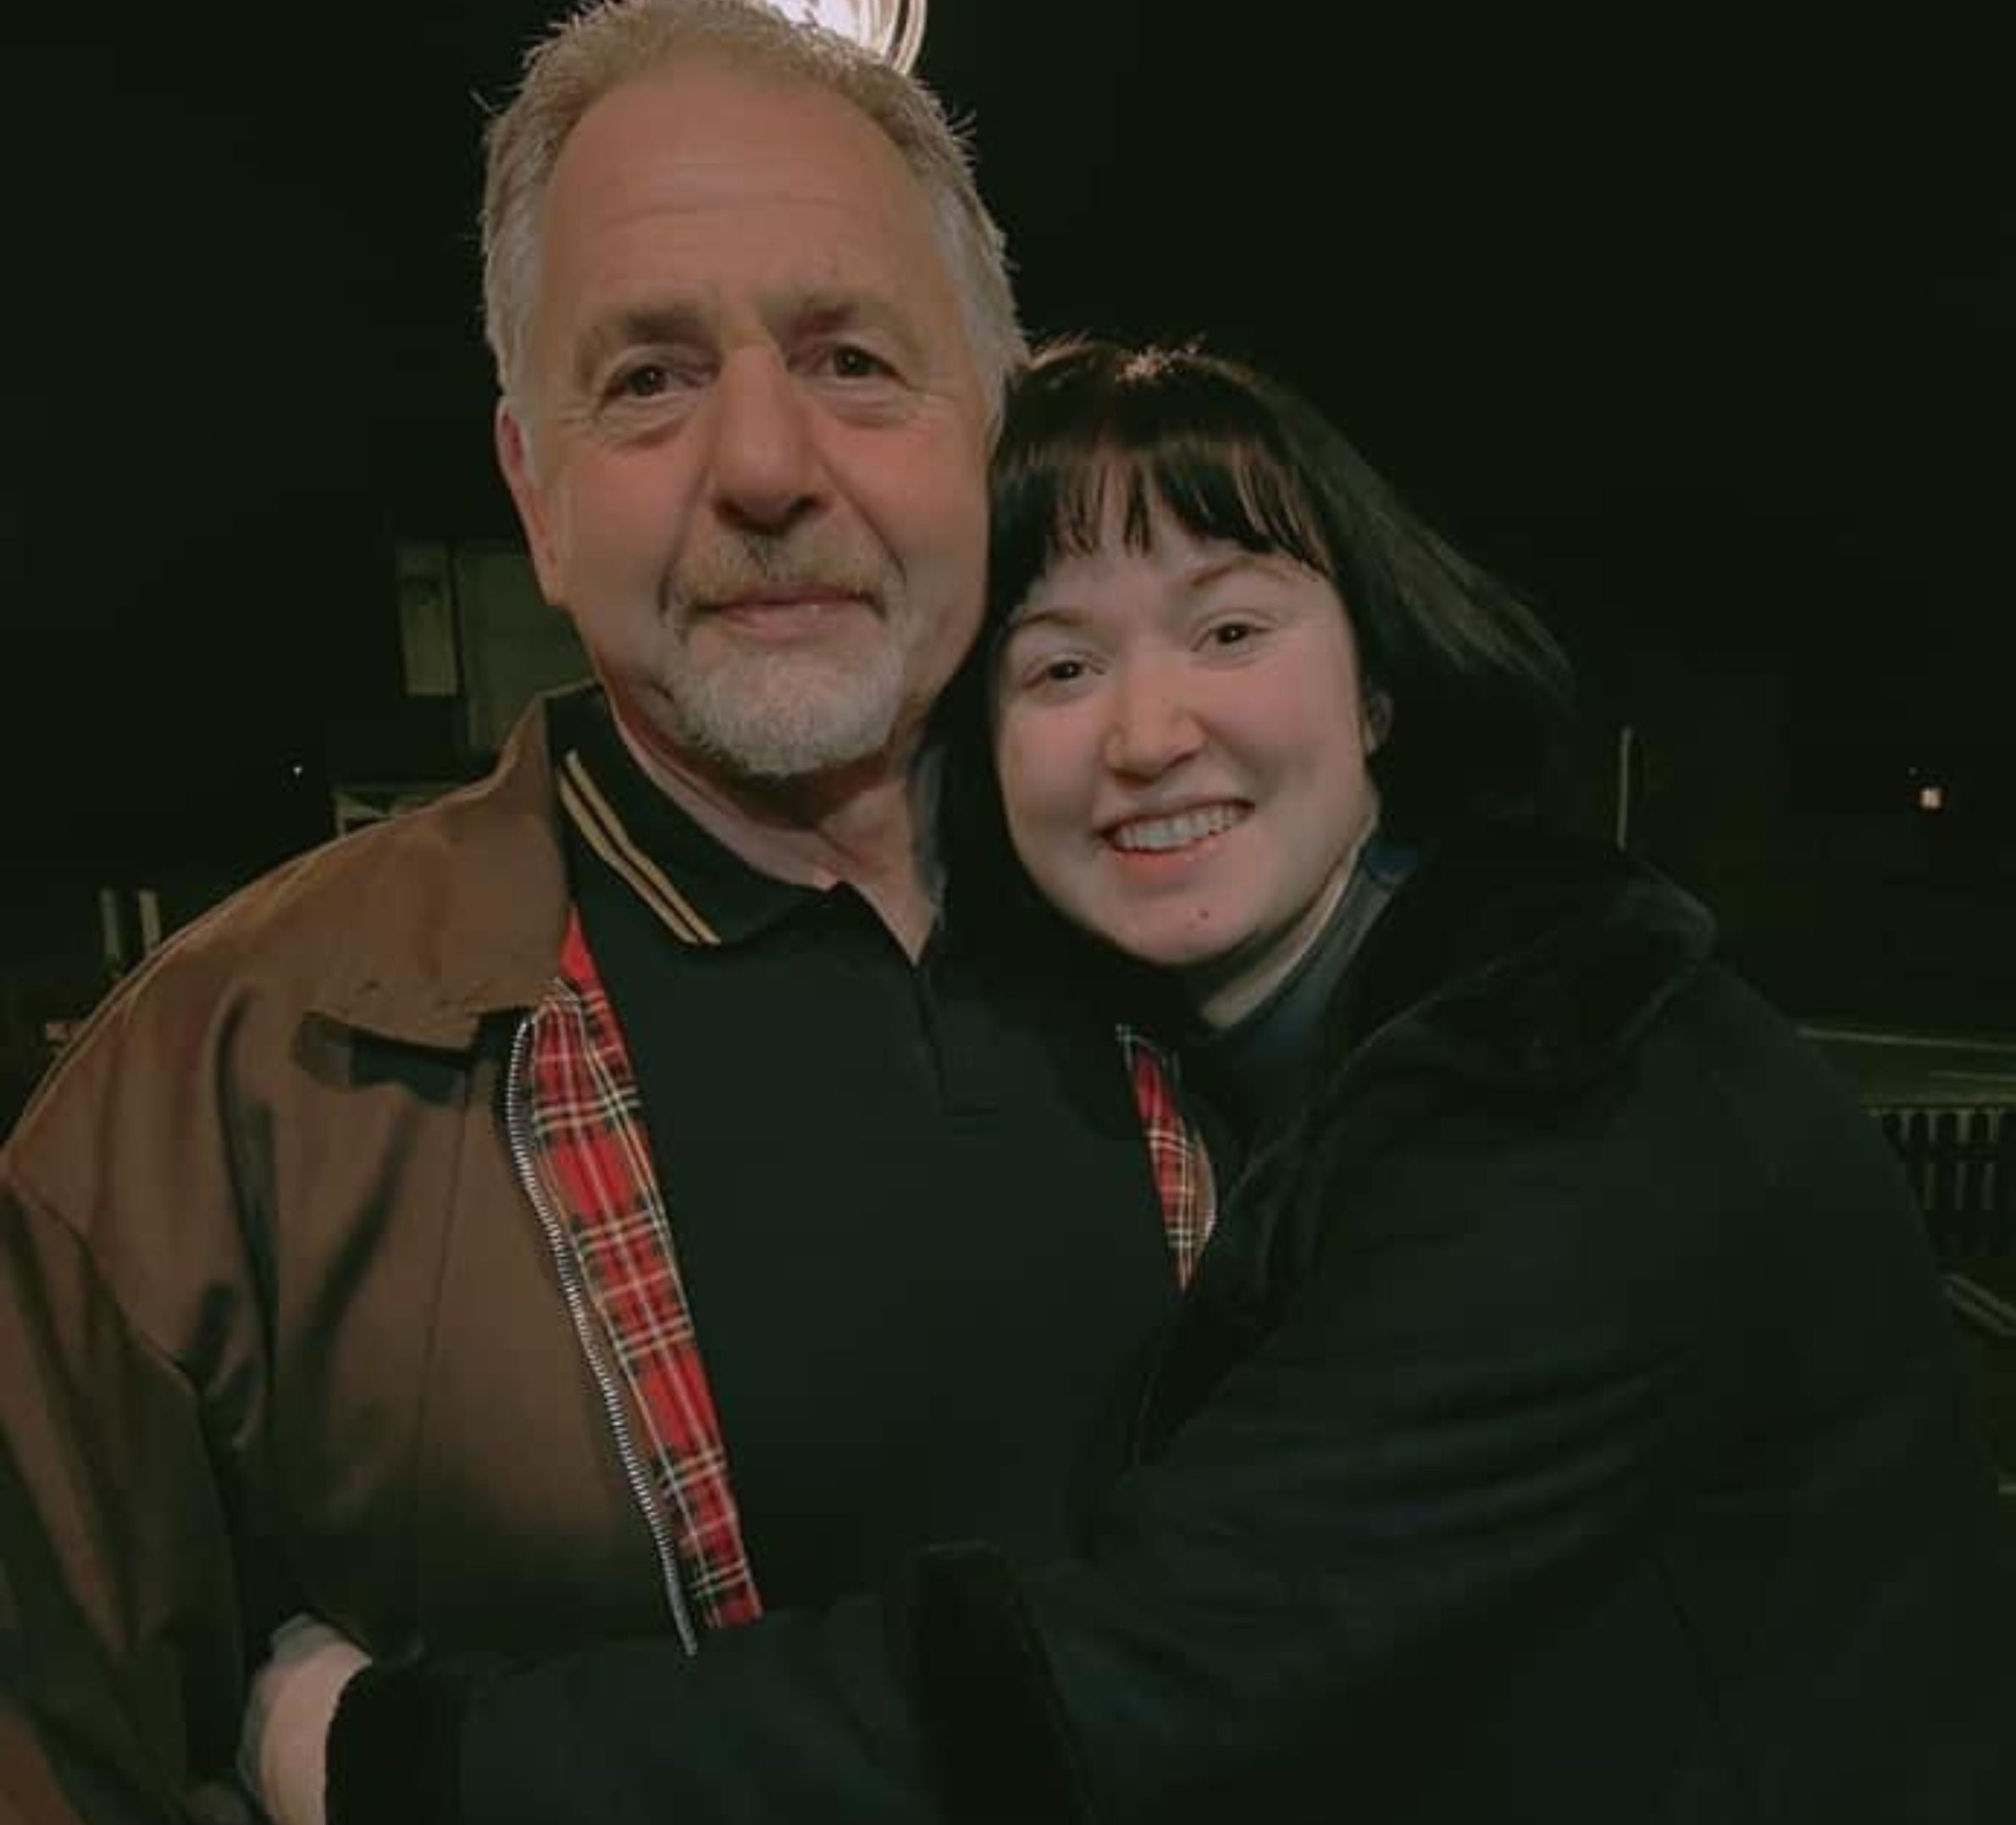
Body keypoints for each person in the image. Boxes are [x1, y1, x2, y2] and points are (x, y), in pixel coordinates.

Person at [286, 341, 2012, 1823]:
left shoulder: (1571, 1101)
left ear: (1379, 683)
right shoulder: (1314, 1058)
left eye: (1229, 625)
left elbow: (1125, 1683)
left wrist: (392, 1754)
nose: (1144, 729)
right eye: (1055, 664)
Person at [0, 0, 1213, 1825]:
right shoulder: (219, 1094)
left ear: (995, 430)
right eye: (645, 377)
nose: (760, 468)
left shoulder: (1258, 951)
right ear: (534, 491)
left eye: (851, 358)